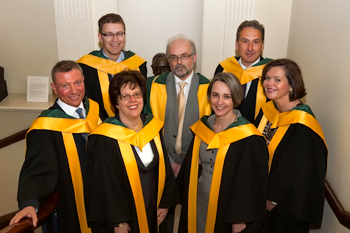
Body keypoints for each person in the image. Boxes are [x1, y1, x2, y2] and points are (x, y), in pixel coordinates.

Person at [10, 60, 100, 233]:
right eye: (65, 85)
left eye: (77, 83)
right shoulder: (46, 127)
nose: (74, 91)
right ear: (54, 88)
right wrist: (29, 203)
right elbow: (36, 170)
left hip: (102, 200)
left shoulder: (94, 109)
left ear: (83, 80)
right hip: (71, 206)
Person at [85, 70, 178, 233]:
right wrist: (118, 221)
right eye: (125, 96)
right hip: (126, 214)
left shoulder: (153, 127)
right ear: (116, 102)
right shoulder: (105, 137)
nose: (133, 100)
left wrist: (165, 203)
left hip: (154, 209)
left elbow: (164, 168)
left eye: (137, 94)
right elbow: (105, 183)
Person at [177, 72, 269, 233]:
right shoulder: (203, 127)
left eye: (227, 97)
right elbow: (192, 166)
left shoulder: (248, 136)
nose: (219, 102)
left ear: (236, 99)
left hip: (228, 203)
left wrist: (240, 217)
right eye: (215, 95)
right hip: (199, 197)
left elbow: (250, 182)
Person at [255, 59, 328, 233]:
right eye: (267, 78)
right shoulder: (268, 111)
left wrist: (273, 199)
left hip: (285, 209)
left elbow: (299, 172)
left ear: (291, 85)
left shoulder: (303, 125)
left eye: (277, 80)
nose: (269, 83)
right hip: (258, 198)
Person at [77, 13, 147, 121]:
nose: (115, 39)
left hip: (134, 129)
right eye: (109, 34)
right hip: (101, 129)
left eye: (119, 33)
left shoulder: (138, 65)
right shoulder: (86, 67)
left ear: (124, 35)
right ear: (100, 37)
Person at [214, 20, 273, 123]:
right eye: (245, 41)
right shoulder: (224, 68)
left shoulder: (271, 72)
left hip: (256, 135)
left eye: (255, 42)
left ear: (262, 45)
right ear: (237, 44)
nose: (250, 48)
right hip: (224, 133)